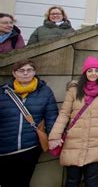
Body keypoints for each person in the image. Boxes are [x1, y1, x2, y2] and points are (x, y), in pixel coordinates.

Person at [49, 56, 98, 187]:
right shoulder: (73, 91)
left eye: (96, 71)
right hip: (74, 140)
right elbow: (64, 114)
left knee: (92, 179)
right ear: (85, 72)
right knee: (72, 179)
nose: (93, 74)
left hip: (95, 141)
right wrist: (54, 135)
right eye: (90, 70)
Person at [0, 59, 58, 187]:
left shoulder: (44, 91)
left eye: (29, 70)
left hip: (30, 147)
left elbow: (52, 115)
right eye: (21, 70)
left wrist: (54, 137)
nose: (25, 73)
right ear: (14, 73)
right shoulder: (3, 92)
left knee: (23, 182)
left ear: (34, 72)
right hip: (5, 148)